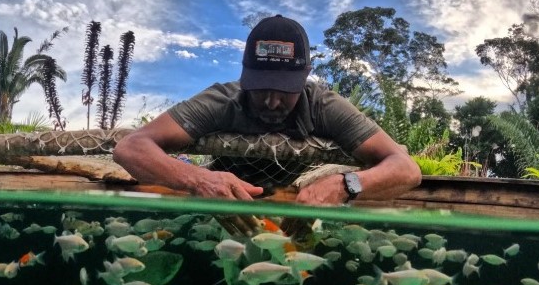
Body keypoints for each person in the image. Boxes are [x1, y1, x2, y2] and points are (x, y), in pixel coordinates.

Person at [113, 15, 421, 228]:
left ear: (305, 77)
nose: (272, 102)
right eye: (261, 88)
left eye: (285, 90)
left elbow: (406, 169)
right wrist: (199, 180)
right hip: (222, 208)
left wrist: (346, 185)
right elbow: (131, 147)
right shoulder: (222, 100)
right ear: (245, 73)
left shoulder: (324, 105)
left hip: (297, 205)